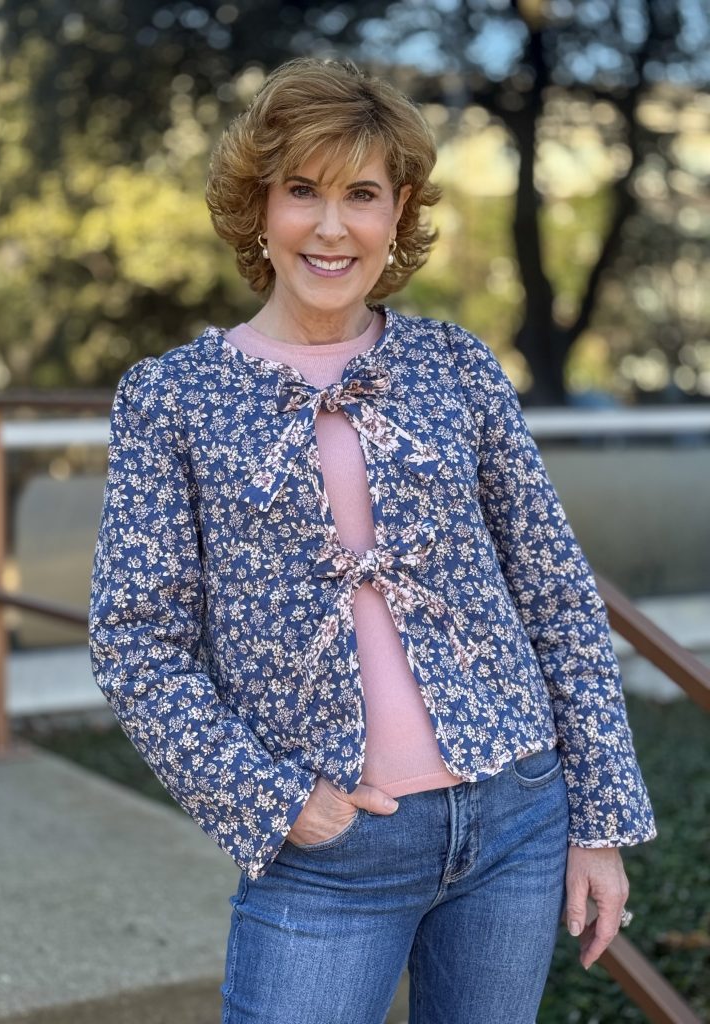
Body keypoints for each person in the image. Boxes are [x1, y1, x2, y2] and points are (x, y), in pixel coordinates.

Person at [88, 57, 656, 1024]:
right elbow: (135, 640)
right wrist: (272, 800)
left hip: (515, 818)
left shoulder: (457, 369)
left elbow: (556, 593)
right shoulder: (171, 398)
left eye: (362, 194)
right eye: (302, 190)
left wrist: (597, 822)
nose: (331, 226)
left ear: (398, 214)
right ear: (259, 206)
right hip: (327, 854)